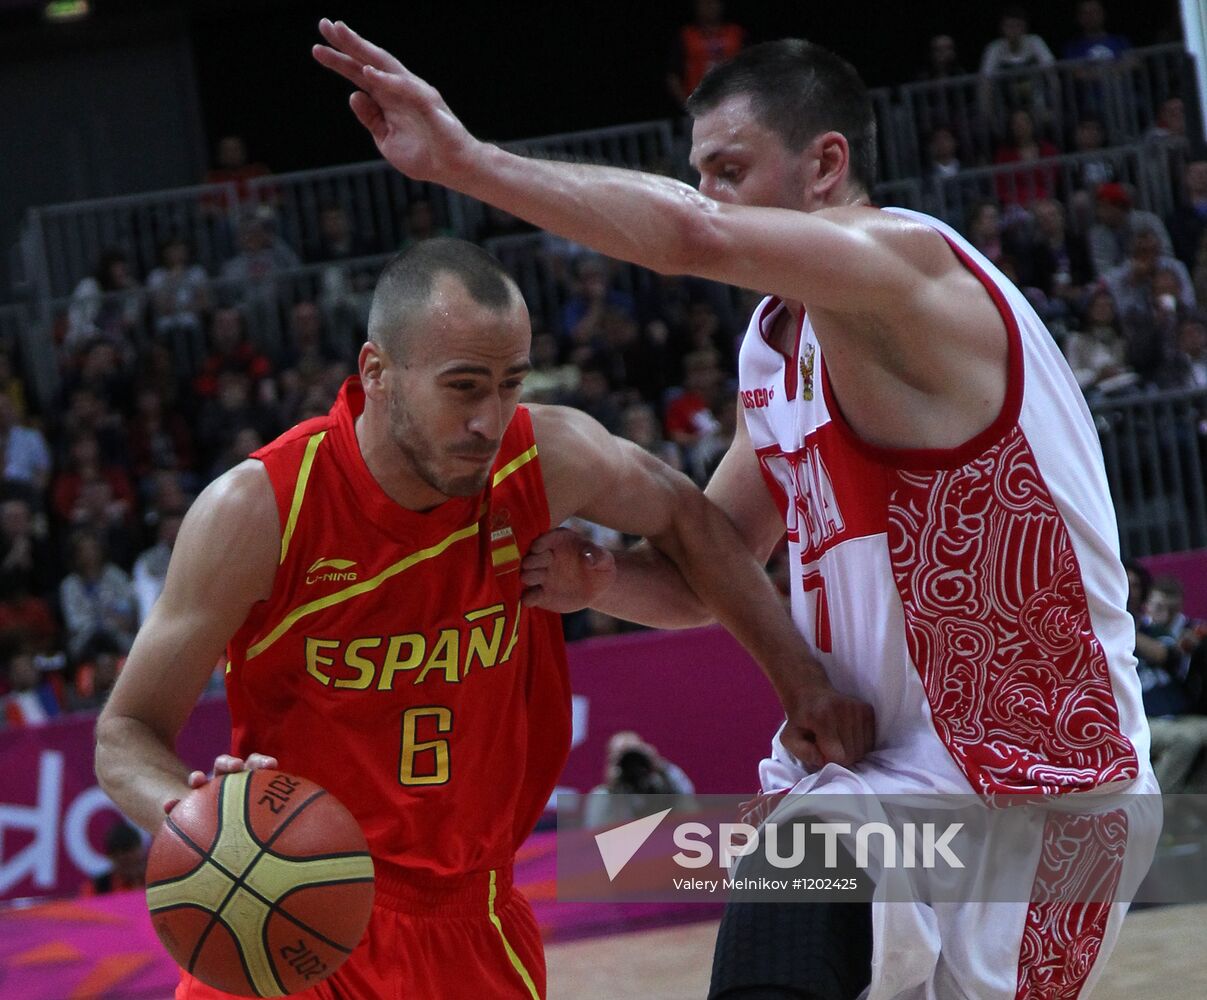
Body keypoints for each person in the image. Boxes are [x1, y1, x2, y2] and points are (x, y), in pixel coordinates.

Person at [312, 21, 1159, 998]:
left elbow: (688, 236)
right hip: (876, 777)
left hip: (1040, 782)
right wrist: (597, 576)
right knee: (787, 865)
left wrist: (469, 163)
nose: (706, 194)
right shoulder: (778, 342)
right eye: (698, 172)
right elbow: (699, 575)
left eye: (727, 168)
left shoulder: (907, 270)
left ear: (823, 165)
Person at [95, 237, 872, 1000]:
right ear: (377, 374)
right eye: (464, 387)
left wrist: (786, 676)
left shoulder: (545, 459)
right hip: (289, 904)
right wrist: (200, 822)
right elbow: (123, 734)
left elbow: (700, 542)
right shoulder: (262, 509)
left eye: (510, 384)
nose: (489, 419)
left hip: (473, 919)